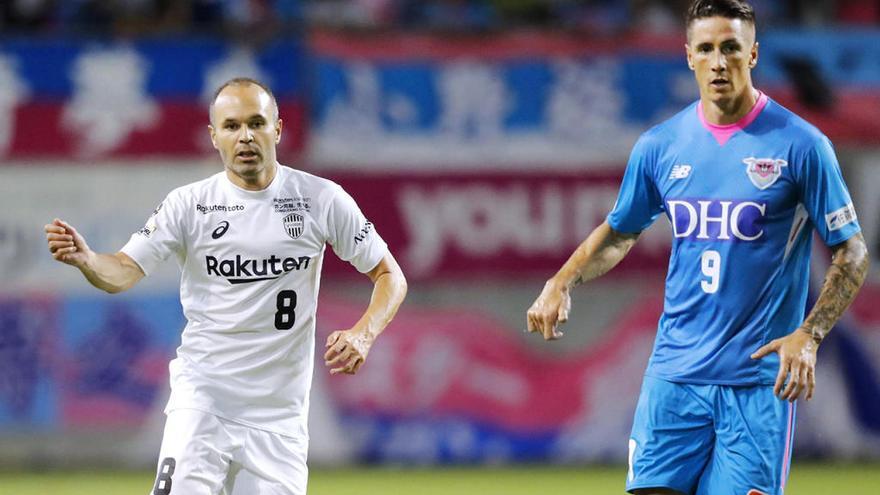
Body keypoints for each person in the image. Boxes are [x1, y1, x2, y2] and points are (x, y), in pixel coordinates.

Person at [526, 1, 869, 494]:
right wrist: (561, 281)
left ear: (753, 54)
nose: (718, 61)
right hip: (674, 378)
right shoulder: (661, 146)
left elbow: (852, 251)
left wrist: (810, 336)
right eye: (706, 49)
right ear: (688, 56)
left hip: (755, 386)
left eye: (731, 47)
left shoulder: (801, 146)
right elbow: (620, 231)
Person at [44, 77, 407, 495]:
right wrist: (88, 260)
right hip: (204, 401)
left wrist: (364, 333)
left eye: (256, 123)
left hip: (280, 418)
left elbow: (389, 275)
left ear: (278, 129)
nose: (246, 136)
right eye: (232, 126)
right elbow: (124, 269)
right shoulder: (189, 204)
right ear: (214, 137)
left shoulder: (319, 199)